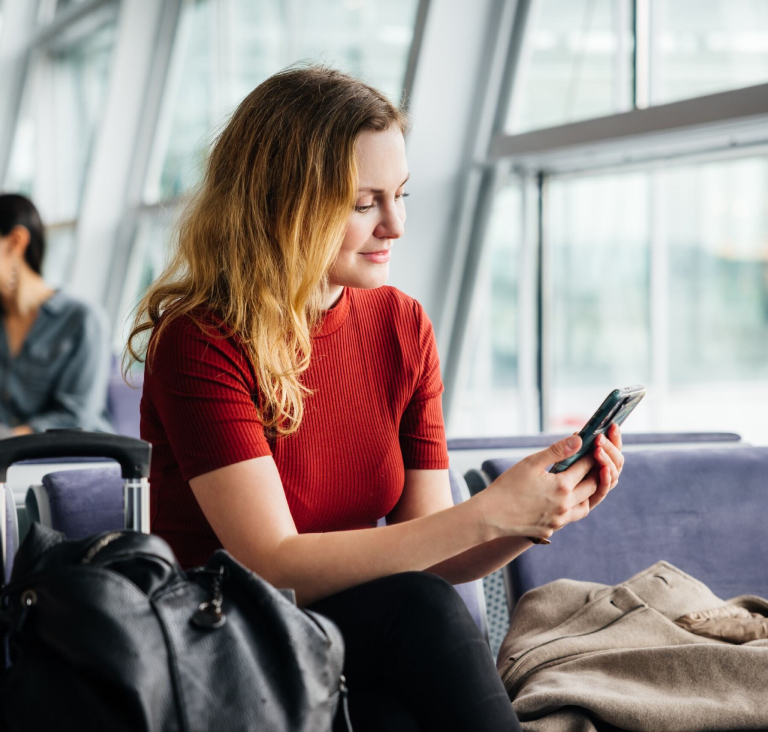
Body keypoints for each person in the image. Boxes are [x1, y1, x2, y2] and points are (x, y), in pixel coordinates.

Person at [127, 65, 625, 731]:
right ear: (283, 202)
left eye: (401, 194)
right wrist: (490, 511)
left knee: (396, 708)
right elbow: (269, 564)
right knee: (416, 614)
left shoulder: (401, 324)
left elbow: (440, 553)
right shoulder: (200, 339)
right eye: (365, 203)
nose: (395, 225)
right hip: (226, 639)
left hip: (351, 639)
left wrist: (534, 515)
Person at [0, 193, 111, 436]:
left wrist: (7, 441)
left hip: (70, 461)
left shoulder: (82, 319)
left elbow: (77, 418)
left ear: (15, 242)